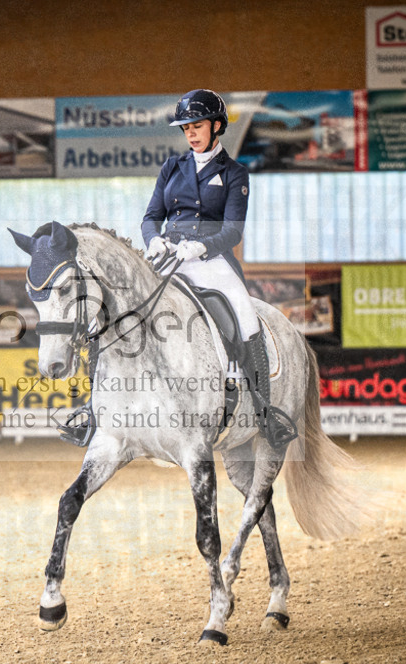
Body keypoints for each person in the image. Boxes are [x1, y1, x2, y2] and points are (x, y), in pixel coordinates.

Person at [141, 88, 295, 448]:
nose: (191, 133)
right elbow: (152, 216)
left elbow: (234, 230)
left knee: (245, 316)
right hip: (168, 258)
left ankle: (265, 411)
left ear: (216, 125)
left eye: (196, 125)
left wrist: (202, 246)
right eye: (185, 128)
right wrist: (153, 239)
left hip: (211, 261)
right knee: (126, 308)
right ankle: (92, 408)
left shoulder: (234, 173)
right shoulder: (171, 167)